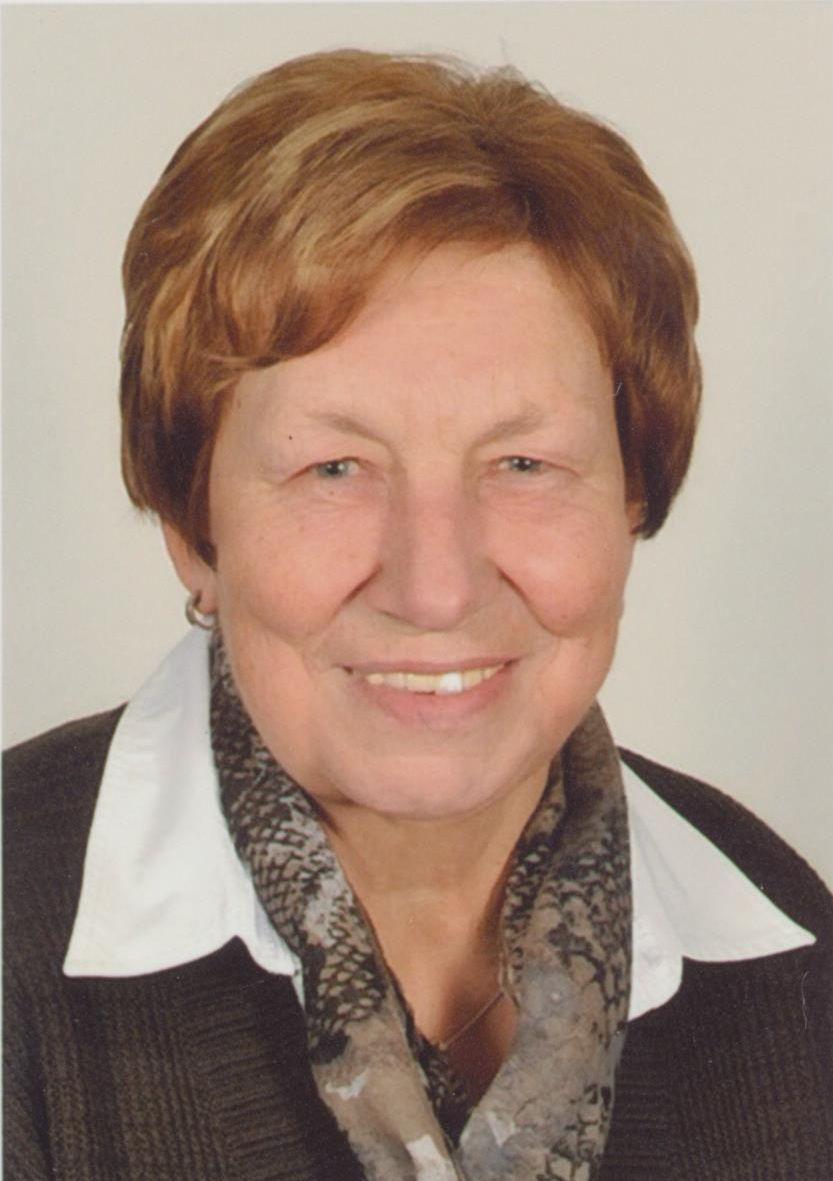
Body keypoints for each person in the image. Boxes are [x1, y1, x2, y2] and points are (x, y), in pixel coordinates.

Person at [4, 49, 831, 1181]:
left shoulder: (790, 964)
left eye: (524, 463)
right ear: (194, 529)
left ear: (631, 494)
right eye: (334, 468)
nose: (435, 586)